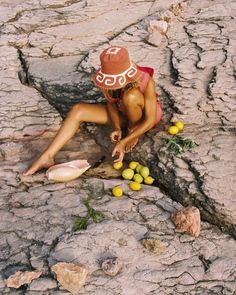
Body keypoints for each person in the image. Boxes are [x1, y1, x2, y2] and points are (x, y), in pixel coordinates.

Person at [24, 46, 163, 176]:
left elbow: (150, 120)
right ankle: (46, 156)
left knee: (130, 96)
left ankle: (133, 129)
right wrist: (116, 127)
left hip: (145, 115)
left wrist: (126, 139)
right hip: (123, 111)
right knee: (78, 110)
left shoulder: (146, 79)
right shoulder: (106, 79)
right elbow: (111, 104)